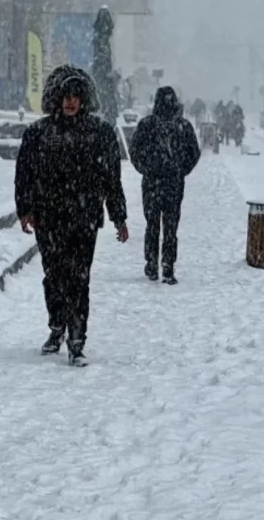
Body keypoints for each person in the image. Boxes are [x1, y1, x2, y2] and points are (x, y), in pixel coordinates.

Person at [15, 64, 129, 367]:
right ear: (56, 97)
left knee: (79, 278)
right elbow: (24, 174)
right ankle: (57, 326)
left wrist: (119, 217)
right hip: (49, 218)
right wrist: (25, 209)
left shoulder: (100, 133)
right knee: (54, 276)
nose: (70, 101)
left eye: (76, 95)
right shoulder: (39, 133)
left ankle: (77, 340)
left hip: (84, 218)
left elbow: (111, 178)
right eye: (65, 95)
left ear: (84, 98)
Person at [130, 86, 201, 284]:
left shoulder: (147, 125)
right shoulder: (183, 126)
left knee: (152, 225)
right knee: (171, 226)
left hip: (152, 182)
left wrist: (146, 168)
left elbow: (134, 151)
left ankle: (152, 263)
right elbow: (194, 153)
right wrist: (181, 170)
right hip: (173, 183)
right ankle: (168, 265)